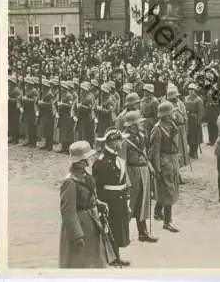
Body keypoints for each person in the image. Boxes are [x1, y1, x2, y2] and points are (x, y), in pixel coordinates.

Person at [59, 141, 115, 268]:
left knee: (94, 259)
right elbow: (68, 212)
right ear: (81, 160)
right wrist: (77, 235)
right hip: (80, 225)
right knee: (78, 262)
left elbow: (89, 195)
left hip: (91, 222)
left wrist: (98, 203)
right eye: (88, 157)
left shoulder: (84, 175)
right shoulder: (70, 181)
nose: (90, 159)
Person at [92, 129, 133, 266]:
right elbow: (96, 186)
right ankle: (111, 258)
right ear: (114, 142)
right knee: (110, 230)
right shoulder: (101, 162)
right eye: (120, 140)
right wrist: (101, 204)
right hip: (109, 201)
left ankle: (115, 257)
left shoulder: (116, 158)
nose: (122, 143)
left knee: (117, 229)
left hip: (119, 199)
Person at [122, 111, 158, 242]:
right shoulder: (124, 141)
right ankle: (122, 234)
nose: (141, 126)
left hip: (143, 171)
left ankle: (143, 233)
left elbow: (144, 153)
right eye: (138, 124)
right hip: (132, 172)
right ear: (131, 126)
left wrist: (149, 165)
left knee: (143, 202)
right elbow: (122, 161)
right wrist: (125, 179)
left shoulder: (141, 136)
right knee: (131, 203)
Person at [149, 101, 181, 232]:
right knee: (168, 190)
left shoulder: (171, 125)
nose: (174, 114)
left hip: (172, 160)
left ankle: (157, 211)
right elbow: (154, 151)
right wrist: (157, 168)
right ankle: (168, 221)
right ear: (166, 115)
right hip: (164, 161)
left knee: (170, 187)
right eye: (172, 112)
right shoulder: (157, 129)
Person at [185, 83, 204, 159]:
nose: (191, 91)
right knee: (189, 136)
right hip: (188, 119)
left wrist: (199, 121)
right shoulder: (186, 98)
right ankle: (191, 151)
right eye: (190, 90)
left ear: (195, 91)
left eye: (192, 90)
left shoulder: (199, 100)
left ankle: (195, 151)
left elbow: (200, 112)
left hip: (195, 119)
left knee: (196, 136)